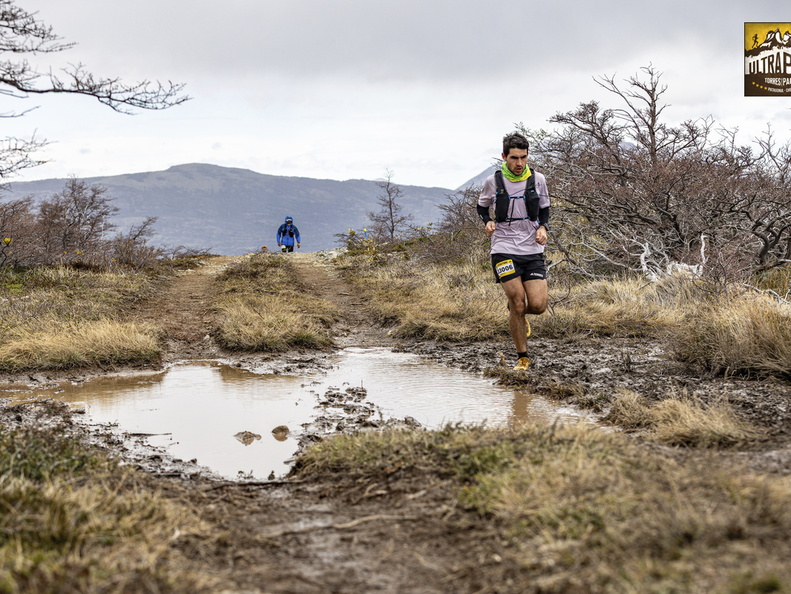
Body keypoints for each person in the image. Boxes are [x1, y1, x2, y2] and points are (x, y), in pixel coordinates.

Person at [477, 132, 550, 371]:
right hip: (503, 248)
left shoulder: (538, 179)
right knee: (519, 303)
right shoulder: (493, 181)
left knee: (537, 305)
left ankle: (515, 313)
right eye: (514, 158)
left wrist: (543, 227)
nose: (519, 164)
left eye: (523, 158)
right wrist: (487, 221)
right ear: (504, 157)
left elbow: (545, 209)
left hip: (532, 248)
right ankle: (523, 358)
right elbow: (482, 206)